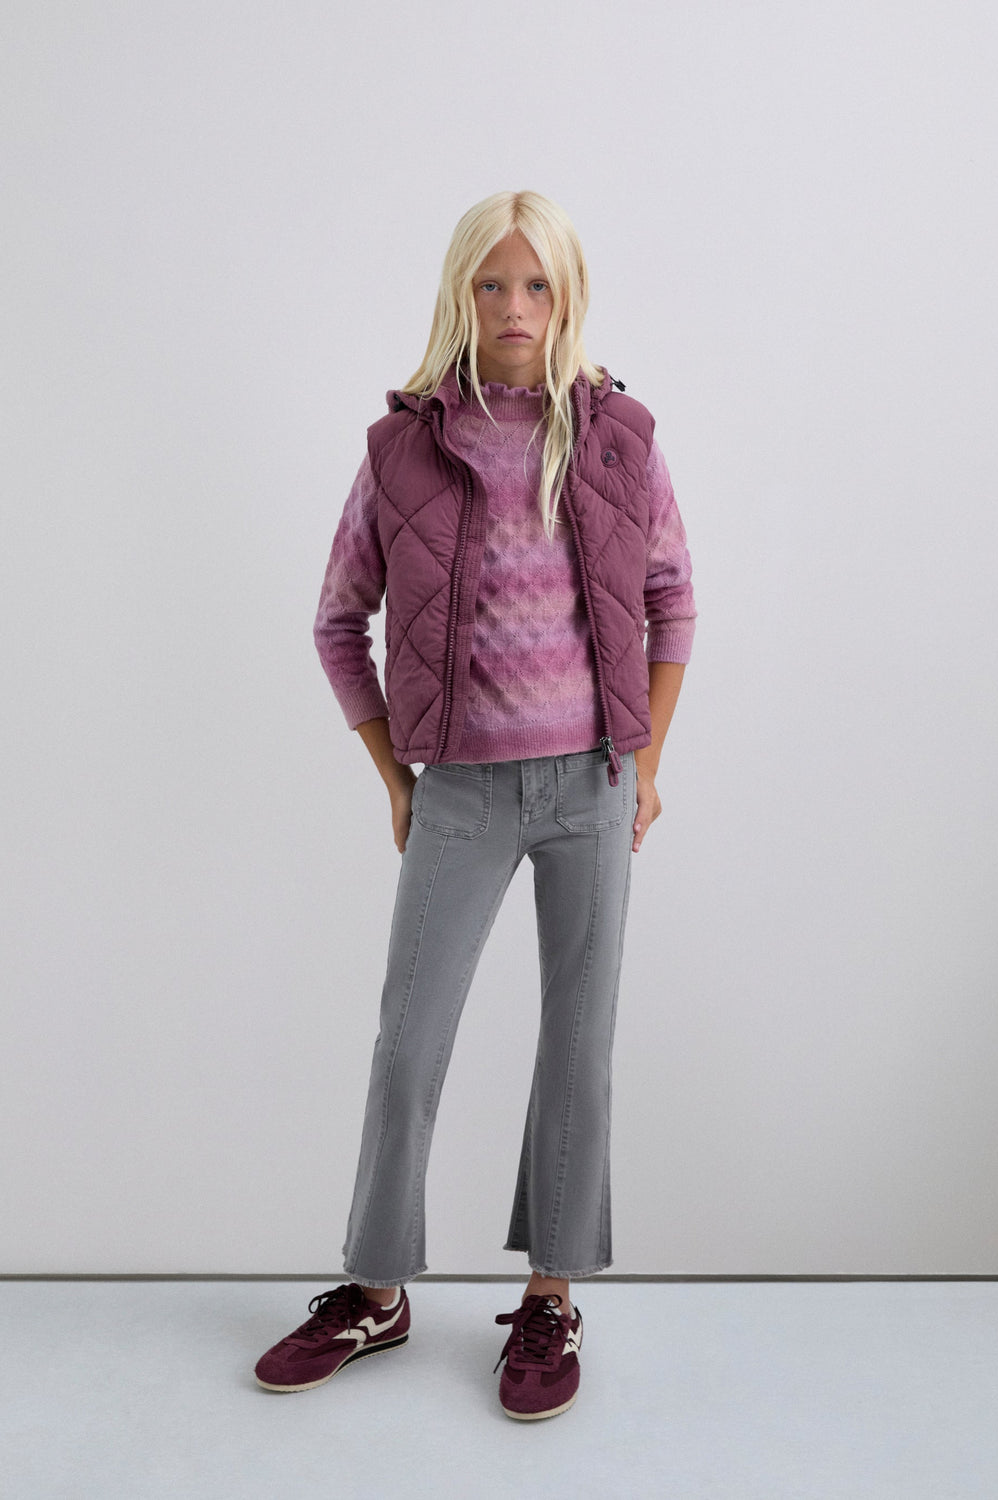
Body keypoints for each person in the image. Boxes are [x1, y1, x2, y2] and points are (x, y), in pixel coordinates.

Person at [254, 190, 696, 1420]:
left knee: (578, 1049)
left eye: (536, 285)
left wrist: (647, 764)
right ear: (460, 292)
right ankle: (376, 1289)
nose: (513, 307)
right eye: (492, 284)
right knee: (408, 1044)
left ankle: (551, 1297)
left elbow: (672, 600)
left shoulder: (618, 437)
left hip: (592, 786)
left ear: (567, 295)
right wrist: (396, 780)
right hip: (457, 791)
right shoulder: (400, 449)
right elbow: (337, 623)